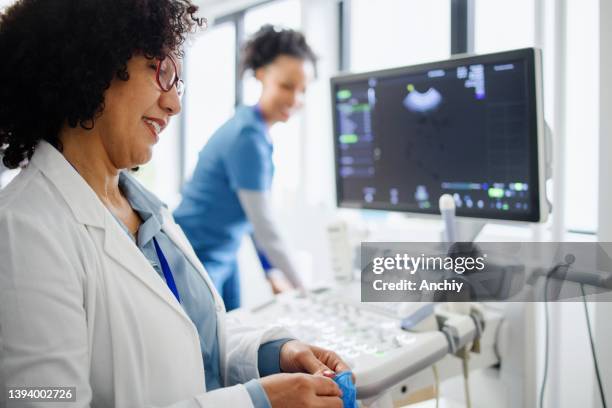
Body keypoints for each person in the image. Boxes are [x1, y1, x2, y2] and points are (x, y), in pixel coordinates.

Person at [0, 1, 351, 407]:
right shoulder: (23, 229)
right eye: (162, 71)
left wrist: (274, 354)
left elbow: (193, 338)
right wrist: (255, 402)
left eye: (178, 84)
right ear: (94, 63)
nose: (175, 105)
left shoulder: (147, 212)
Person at [174, 25, 316, 310]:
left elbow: (251, 216)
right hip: (196, 255)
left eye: (302, 90)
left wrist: (270, 271)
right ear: (262, 75)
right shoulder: (247, 138)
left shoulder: (253, 129)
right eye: (286, 86)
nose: (295, 99)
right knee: (207, 347)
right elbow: (265, 226)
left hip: (226, 252)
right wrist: (308, 292)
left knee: (233, 335)